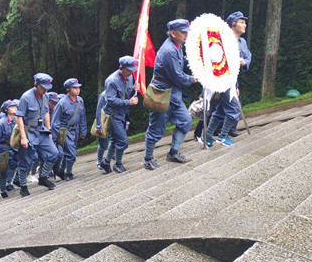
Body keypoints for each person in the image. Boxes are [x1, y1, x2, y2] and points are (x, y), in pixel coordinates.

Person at [143, 19, 197, 170]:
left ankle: (173, 152)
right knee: (156, 129)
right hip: (161, 94)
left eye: (187, 32)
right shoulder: (169, 50)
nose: (186, 35)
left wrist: (195, 62)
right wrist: (192, 79)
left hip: (174, 94)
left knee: (185, 120)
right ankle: (147, 159)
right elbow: (177, 76)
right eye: (183, 32)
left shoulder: (176, 46)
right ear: (173, 33)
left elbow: (182, 61)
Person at [204, 11, 252, 146]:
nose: (245, 25)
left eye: (245, 22)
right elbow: (213, 59)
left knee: (220, 110)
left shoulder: (241, 42)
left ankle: (207, 136)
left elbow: (248, 57)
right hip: (221, 79)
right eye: (242, 22)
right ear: (233, 24)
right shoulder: (221, 41)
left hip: (232, 81)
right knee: (234, 110)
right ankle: (222, 136)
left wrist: (244, 62)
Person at [16, 73, 59, 197]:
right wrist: (23, 137)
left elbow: (46, 113)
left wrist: (49, 130)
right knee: (26, 160)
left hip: (41, 131)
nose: (46, 90)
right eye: (43, 87)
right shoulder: (26, 97)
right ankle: (23, 186)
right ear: (36, 84)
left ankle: (43, 177)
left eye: (47, 87)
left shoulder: (45, 96)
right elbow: (19, 118)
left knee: (54, 153)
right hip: (29, 131)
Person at [99, 56, 140, 174]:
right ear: (121, 68)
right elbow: (110, 100)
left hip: (123, 113)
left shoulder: (130, 76)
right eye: (129, 70)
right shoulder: (112, 80)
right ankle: (118, 164)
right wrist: (129, 102)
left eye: (133, 69)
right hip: (113, 115)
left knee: (115, 139)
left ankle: (106, 162)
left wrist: (134, 90)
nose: (132, 72)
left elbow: (127, 93)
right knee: (122, 141)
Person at [51, 78, 87, 181]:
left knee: (70, 151)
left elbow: (82, 116)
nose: (77, 89)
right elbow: (55, 121)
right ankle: (69, 173)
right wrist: (56, 136)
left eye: (78, 87)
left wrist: (83, 131)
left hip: (75, 129)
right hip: (65, 131)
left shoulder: (80, 100)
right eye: (74, 87)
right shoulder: (62, 103)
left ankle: (61, 170)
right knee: (71, 153)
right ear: (68, 89)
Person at [0, 99, 19, 199]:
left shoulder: (16, 120)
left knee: (14, 166)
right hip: (4, 149)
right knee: (4, 171)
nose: (15, 107)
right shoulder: (1, 123)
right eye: (12, 106)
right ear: (6, 110)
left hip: (14, 148)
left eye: (15, 106)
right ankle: (2, 190)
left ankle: (8, 183)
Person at [93, 90, 115, 169]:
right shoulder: (103, 95)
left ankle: (112, 154)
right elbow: (99, 110)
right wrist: (99, 125)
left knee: (115, 138)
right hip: (104, 119)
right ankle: (99, 161)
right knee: (103, 142)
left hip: (114, 118)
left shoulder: (116, 92)